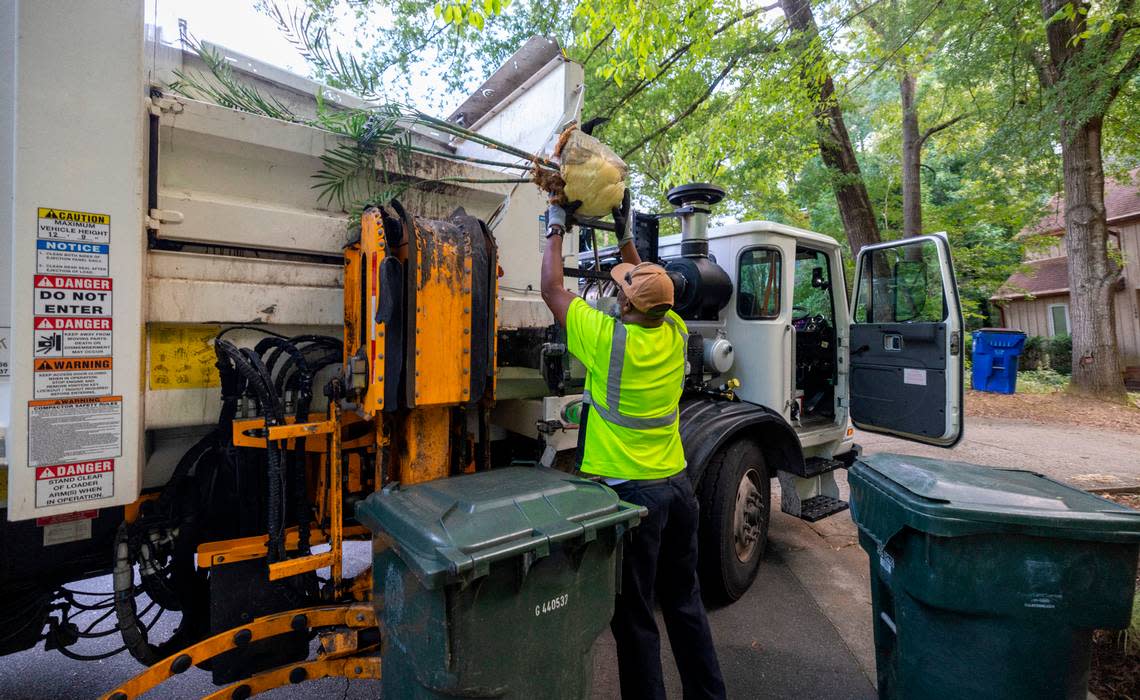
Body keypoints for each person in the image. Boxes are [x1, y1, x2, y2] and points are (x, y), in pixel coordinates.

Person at [539, 195, 726, 700]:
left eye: (623, 288)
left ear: (623, 304)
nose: (622, 286)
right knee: (685, 603)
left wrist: (556, 224)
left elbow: (551, 289)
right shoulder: (676, 329)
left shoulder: (607, 340)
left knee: (636, 617)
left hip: (632, 499)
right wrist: (626, 234)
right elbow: (647, 283)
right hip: (677, 489)